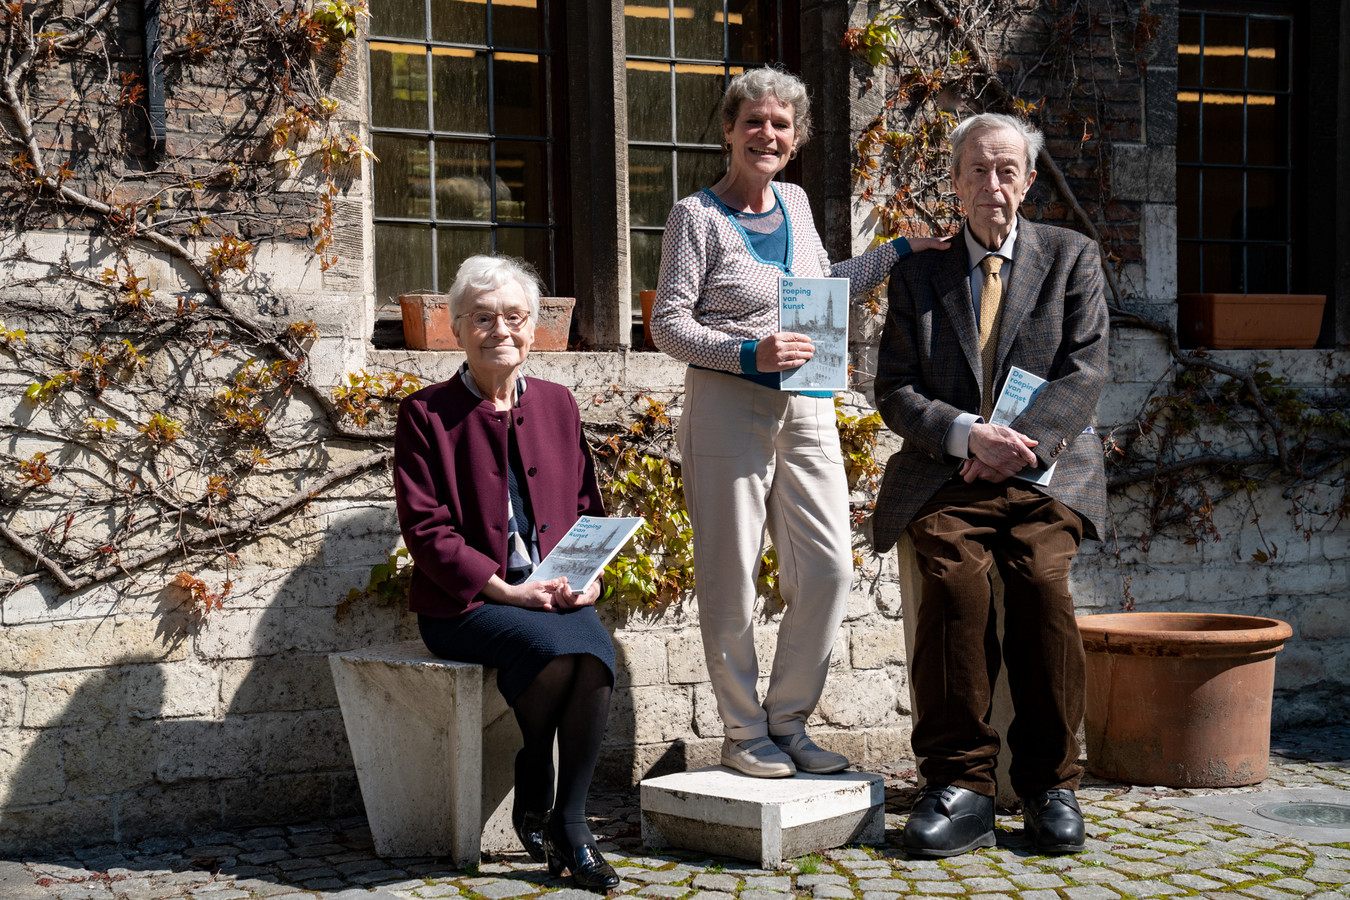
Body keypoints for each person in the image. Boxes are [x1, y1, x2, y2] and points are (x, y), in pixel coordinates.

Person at [650, 66, 950, 779]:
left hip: (808, 399)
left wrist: (900, 251)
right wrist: (747, 351)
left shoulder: (796, 201)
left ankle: (789, 722)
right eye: (753, 121)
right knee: (731, 575)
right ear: (728, 129)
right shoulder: (695, 217)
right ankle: (742, 731)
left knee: (829, 569)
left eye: (781, 124)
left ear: (796, 138)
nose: (767, 134)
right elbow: (667, 324)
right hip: (729, 399)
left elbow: (822, 289)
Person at [872, 112, 1109, 857]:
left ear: (1029, 180)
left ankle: (1049, 785)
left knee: (1040, 583)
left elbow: (1086, 372)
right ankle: (962, 784)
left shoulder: (1072, 258)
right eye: (978, 169)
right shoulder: (918, 275)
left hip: (1046, 474)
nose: (993, 185)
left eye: (1007, 170)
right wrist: (963, 434)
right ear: (955, 181)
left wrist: (1017, 447)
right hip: (947, 475)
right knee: (952, 583)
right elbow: (895, 387)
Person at [393, 255, 620, 891]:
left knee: (593, 656)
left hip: (548, 592)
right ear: (458, 328)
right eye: (484, 318)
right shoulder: (426, 414)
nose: (502, 330)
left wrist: (592, 575)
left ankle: (568, 823)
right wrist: (507, 590)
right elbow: (427, 531)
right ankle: (539, 782)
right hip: (465, 603)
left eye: (515, 317)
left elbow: (584, 509)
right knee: (556, 650)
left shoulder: (557, 403)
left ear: (533, 327)